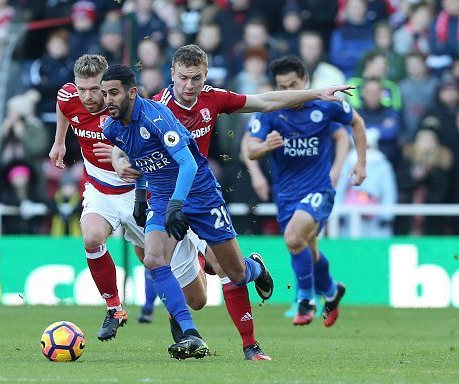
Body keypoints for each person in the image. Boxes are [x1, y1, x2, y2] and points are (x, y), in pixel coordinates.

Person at [112, 44, 354, 356]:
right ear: (171, 74)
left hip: (202, 196)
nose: (189, 86)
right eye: (183, 78)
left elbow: (265, 101)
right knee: (159, 263)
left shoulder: (213, 98)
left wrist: (317, 93)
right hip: (165, 196)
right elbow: (123, 140)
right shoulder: (155, 106)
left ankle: (251, 337)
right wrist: (119, 161)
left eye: (196, 78)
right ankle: (188, 332)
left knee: (233, 272)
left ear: (205, 75)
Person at [48, 55, 213, 352]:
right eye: (81, 88)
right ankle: (114, 307)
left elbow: (147, 145)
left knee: (196, 298)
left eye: (95, 89)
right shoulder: (68, 96)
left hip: (142, 193)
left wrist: (119, 155)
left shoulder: (129, 109)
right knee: (91, 237)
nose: (88, 96)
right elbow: (63, 106)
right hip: (100, 190)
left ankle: (201, 260)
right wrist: (59, 141)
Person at [245, 55, 367, 327]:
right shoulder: (270, 111)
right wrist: (264, 147)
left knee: (292, 237)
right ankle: (333, 292)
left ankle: (305, 299)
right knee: (306, 248)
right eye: (282, 87)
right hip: (286, 194)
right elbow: (250, 148)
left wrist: (360, 162)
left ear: (305, 81)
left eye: (293, 84)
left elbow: (356, 123)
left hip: (319, 189)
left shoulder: (324, 106)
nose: (288, 92)